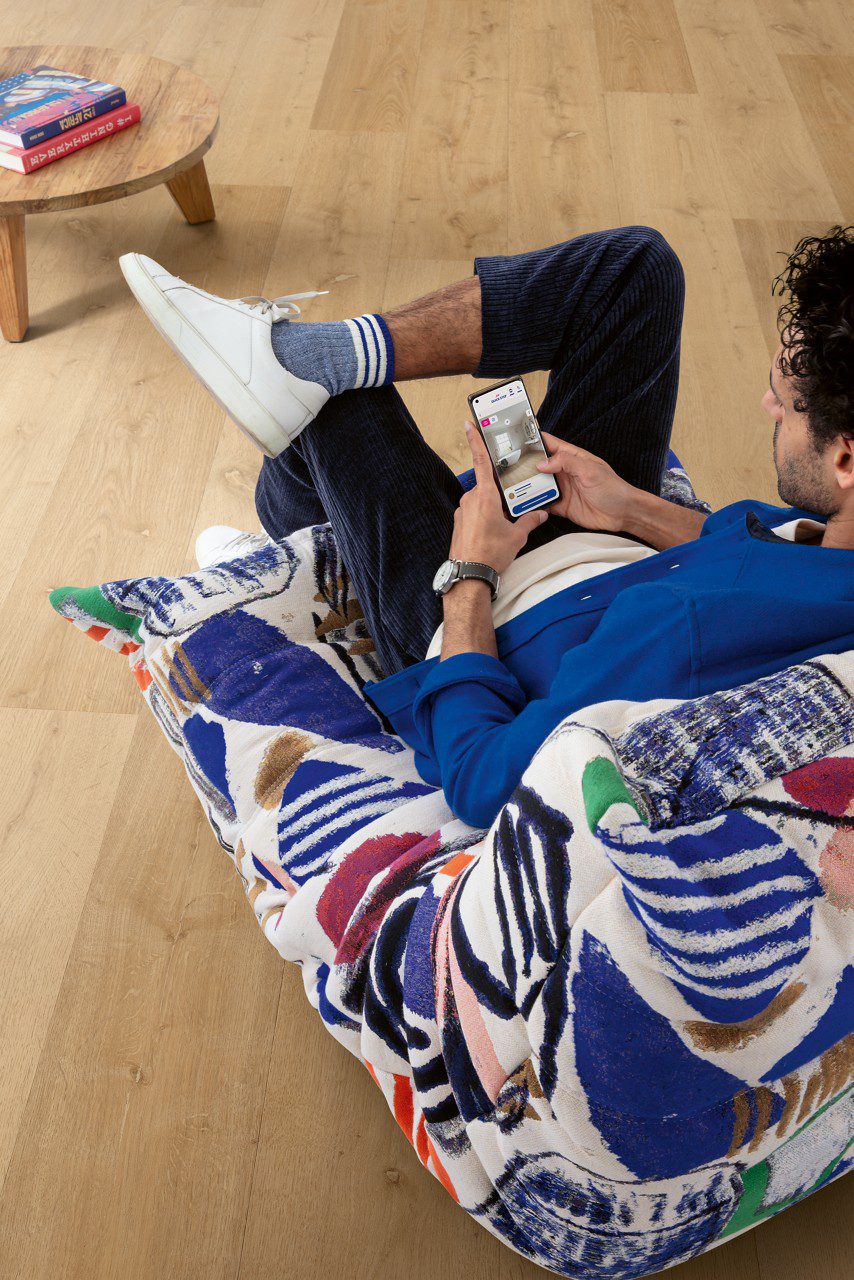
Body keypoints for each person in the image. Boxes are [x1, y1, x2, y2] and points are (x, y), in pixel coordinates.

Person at [119, 225, 854, 829]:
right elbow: (761, 549)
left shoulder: (683, 634)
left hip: (490, 622)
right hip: (610, 542)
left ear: (845, 456)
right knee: (638, 273)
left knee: (336, 408)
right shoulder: (833, 544)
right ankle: (320, 362)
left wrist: (470, 571)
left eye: (784, 402)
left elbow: (482, 779)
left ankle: (298, 537)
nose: (767, 407)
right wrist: (627, 505)